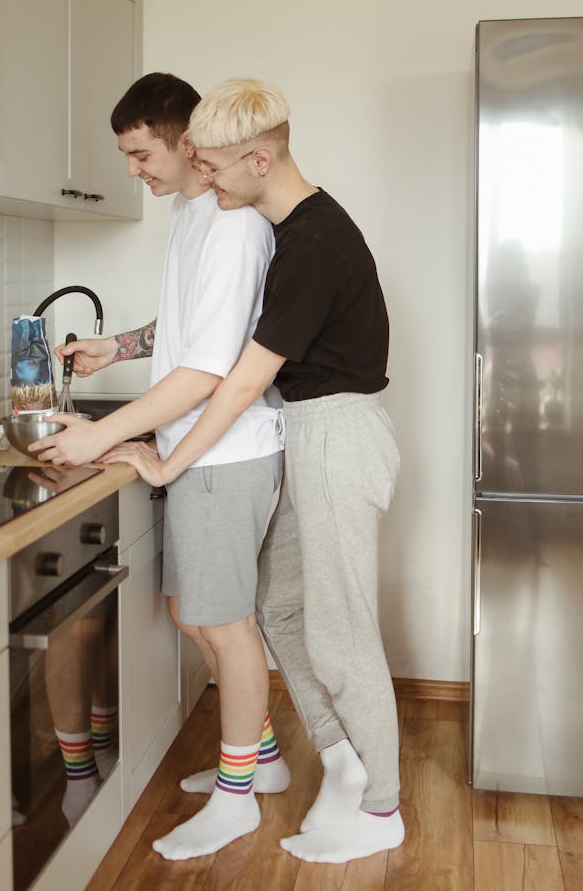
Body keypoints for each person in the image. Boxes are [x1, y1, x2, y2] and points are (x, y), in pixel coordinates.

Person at [115, 78, 404, 865]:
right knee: (280, 611)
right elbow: (233, 346)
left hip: (337, 434)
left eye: (212, 169)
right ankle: (341, 758)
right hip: (308, 429)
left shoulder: (312, 241)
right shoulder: (293, 227)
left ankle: (382, 806)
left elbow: (239, 377)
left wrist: (170, 458)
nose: (203, 182)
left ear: (258, 156)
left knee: (340, 629)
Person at [29, 72, 289, 860]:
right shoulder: (189, 215)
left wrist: (92, 439)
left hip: (225, 449)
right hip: (194, 447)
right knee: (194, 614)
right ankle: (263, 759)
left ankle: (240, 796)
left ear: (184, 141)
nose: (133, 169)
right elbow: (185, 330)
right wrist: (121, 346)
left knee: (224, 623)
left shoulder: (233, 224)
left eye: (140, 152)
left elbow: (208, 371)